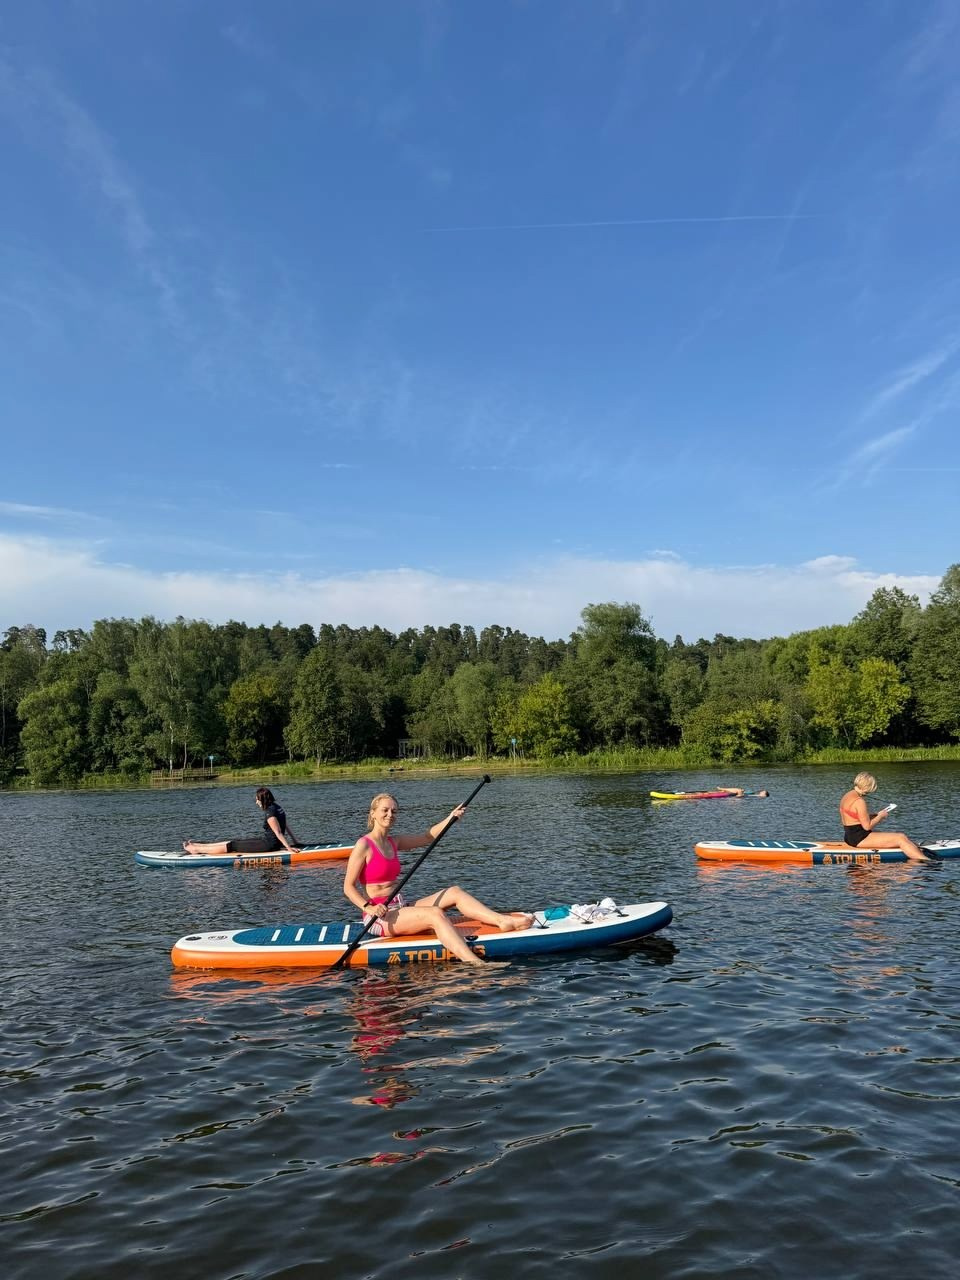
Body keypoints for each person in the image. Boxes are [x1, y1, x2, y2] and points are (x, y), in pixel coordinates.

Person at [343, 792, 533, 966]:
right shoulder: (364, 845)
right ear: (373, 813)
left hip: (401, 907)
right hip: (379, 916)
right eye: (385, 810)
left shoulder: (394, 842)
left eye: (394, 811)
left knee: (454, 892)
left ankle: (501, 921)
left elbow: (427, 837)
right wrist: (370, 907)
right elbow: (348, 888)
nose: (390, 814)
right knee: (435, 914)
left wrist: (450, 818)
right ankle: (476, 964)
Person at [182, 787, 301, 856]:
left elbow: (279, 832)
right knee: (235, 841)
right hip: (268, 842)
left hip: (269, 845)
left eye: (257, 800)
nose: (256, 802)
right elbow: (285, 824)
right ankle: (198, 845)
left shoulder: (270, 813)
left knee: (233, 845)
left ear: (263, 800)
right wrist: (295, 841)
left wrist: (289, 848)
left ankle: (196, 850)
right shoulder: (277, 807)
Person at [838, 772, 927, 861]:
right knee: (900, 838)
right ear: (866, 786)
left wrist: (872, 816)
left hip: (849, 836)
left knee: (902, 837)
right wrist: (880, 816)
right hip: (859, 838)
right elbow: (867, 826)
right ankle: (926, 861)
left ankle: (914, 848)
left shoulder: (847, 795)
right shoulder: (859, 801)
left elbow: (853, 817)